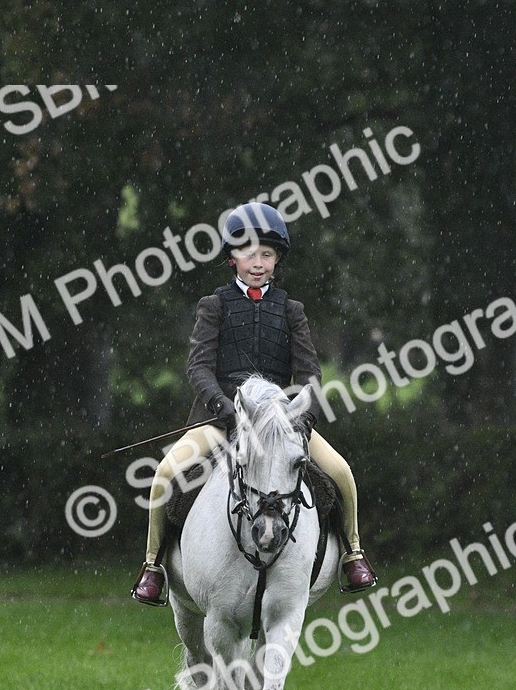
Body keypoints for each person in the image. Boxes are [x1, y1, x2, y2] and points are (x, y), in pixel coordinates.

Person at [131, 202, 377, 605]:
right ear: (232, 258)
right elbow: (199, 367)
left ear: (277, 259)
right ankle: (153, 565)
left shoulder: (292, 311)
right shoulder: (214, 306)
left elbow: (310, 375)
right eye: (248, 254)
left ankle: (353, 552)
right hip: (220, 419)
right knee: (165, 473)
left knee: (341, 472)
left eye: (266, 254)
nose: (258, 263)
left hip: (280, 422)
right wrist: (222, 407)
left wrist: (302, 419)